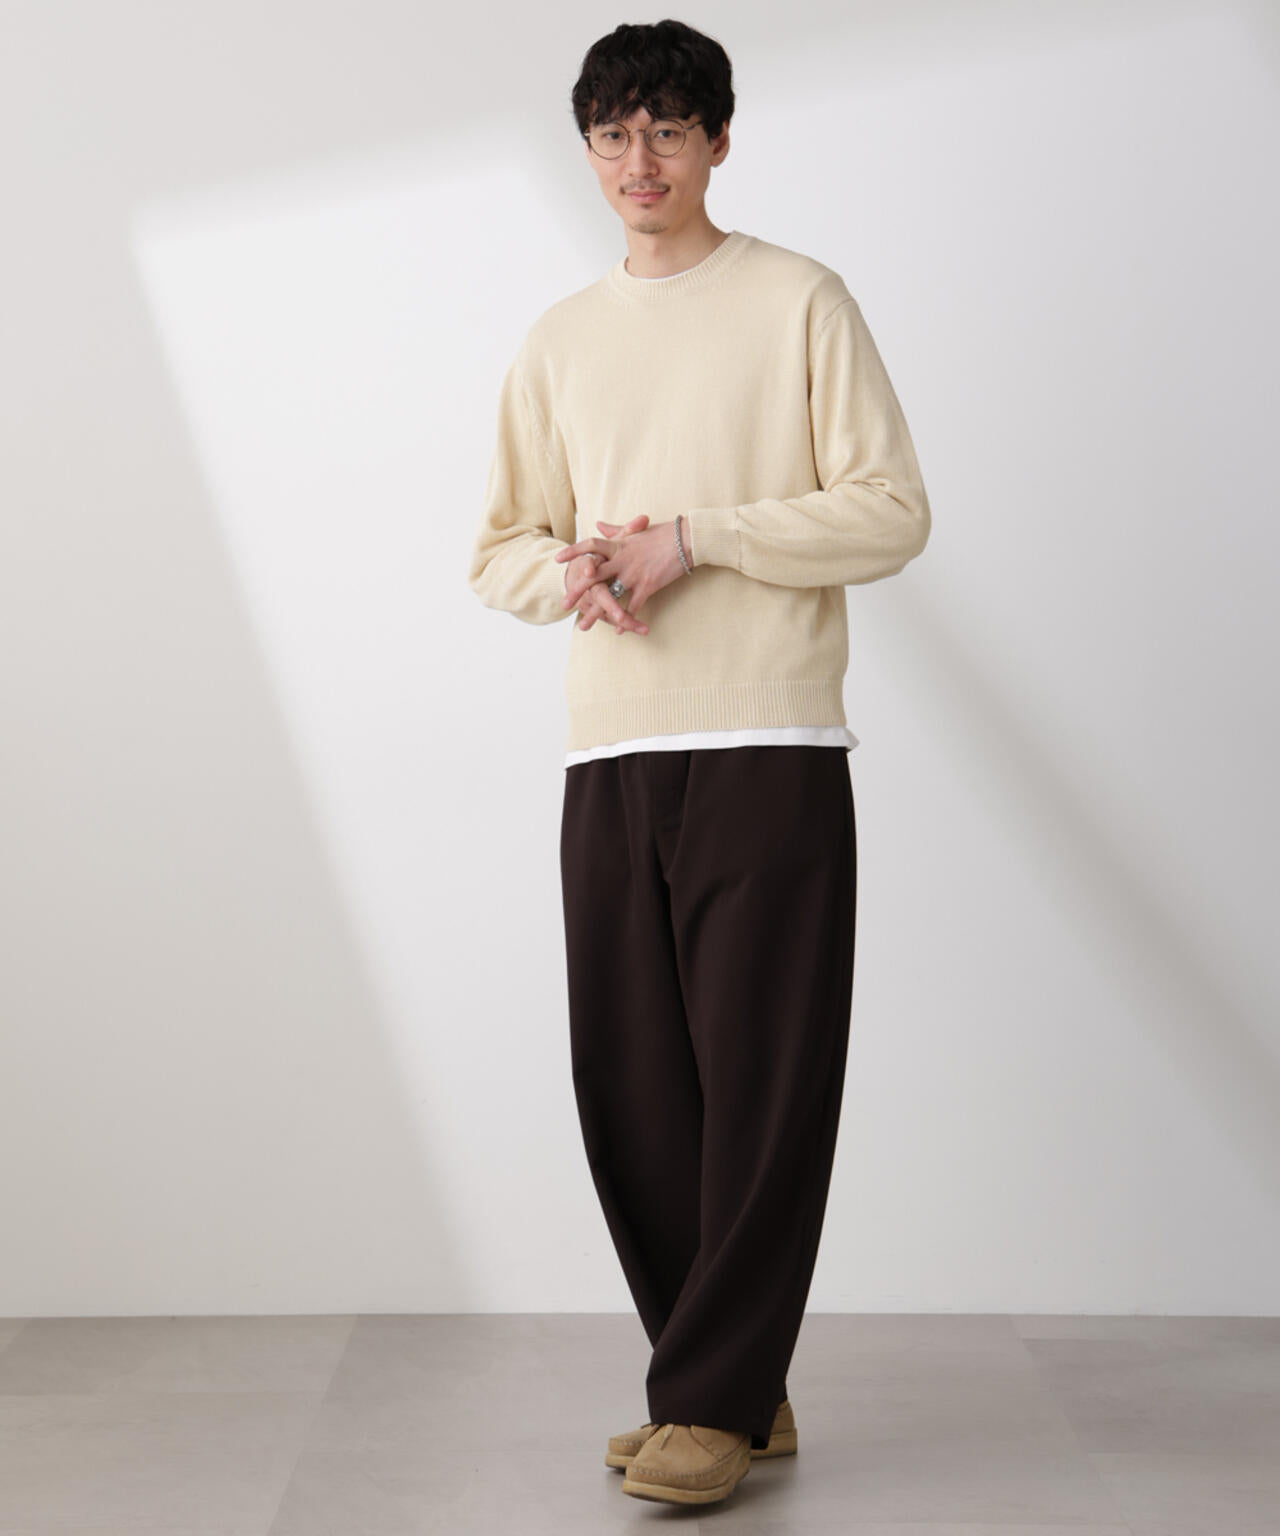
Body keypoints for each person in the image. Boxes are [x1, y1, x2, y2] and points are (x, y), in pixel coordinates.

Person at [467, 18, 930, 1508]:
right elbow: (499, 545)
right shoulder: (560, 339)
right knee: (633, 1089)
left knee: (764, 1083)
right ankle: (728, 1380)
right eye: (613, 133)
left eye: (669, 129)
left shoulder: (799, 300)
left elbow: (892, 510)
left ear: (720, 141)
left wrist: (697, 538)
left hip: (768, 742)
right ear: (588, 149)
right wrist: (576, 576)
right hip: (612, 746)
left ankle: (711, 1399)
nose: (640, 160)